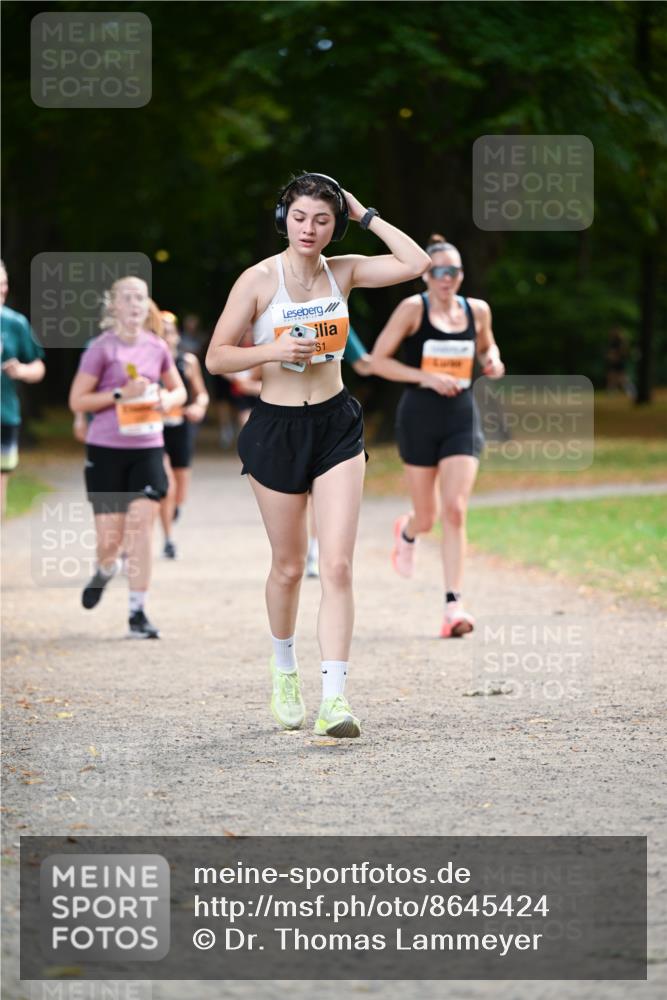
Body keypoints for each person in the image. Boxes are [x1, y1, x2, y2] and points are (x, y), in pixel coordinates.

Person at [206, 172, 429, 738]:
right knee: (287, 566)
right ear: (285, 218)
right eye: (301, 217)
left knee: (337, 565)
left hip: (334, 425)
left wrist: (366, 214)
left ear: (336, 224)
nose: (310, 229)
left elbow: (416, 263)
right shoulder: (258, 280)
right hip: (277, 429)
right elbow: (216, 358)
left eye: (323, 219)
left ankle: (336, 699)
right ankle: (285, 667)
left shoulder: (345, 270)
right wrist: (274, 348)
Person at [370, 234, 505, 637]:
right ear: (427, 276)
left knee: (456, 510)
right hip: (418, 417)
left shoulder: (477, 310)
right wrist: (425, 377)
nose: (447, 278)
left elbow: (487, 347)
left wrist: (493, 359)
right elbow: (378, 361)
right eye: (439, 271)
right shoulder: (413, 309)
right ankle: (408, 531)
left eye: (454, 271)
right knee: (428, 517)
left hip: (461, 416)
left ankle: (453, 606)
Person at [68, 276, 186, 638]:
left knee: (139, 531)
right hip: (106, 451)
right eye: (127, 298)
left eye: (141, 298)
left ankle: (138, 612)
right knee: (110, 541)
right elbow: (78, 401)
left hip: (148, 448)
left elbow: (178, 389)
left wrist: (167, 400)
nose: (135, 304)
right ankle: (105, 570)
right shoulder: (101, 349)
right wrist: (120, 394)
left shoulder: (157, 347)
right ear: (114, 306)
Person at [159, 310, 209, 558]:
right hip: (155, 430)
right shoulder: (147, 361)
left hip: (181, 427)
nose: (166, 337)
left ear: (176, 336)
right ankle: (168, 539)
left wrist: (198, 405)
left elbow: (201, 393)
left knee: (180, 490)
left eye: (169, 332)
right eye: (160, 332)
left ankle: (175, 508)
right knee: (165, 485)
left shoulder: (187, 361)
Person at [0, 260, 46, 515]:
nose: (2, 290)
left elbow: (38, 366)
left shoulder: (15, 323)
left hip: (4, 413)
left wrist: (22, 371)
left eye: (4, 284)